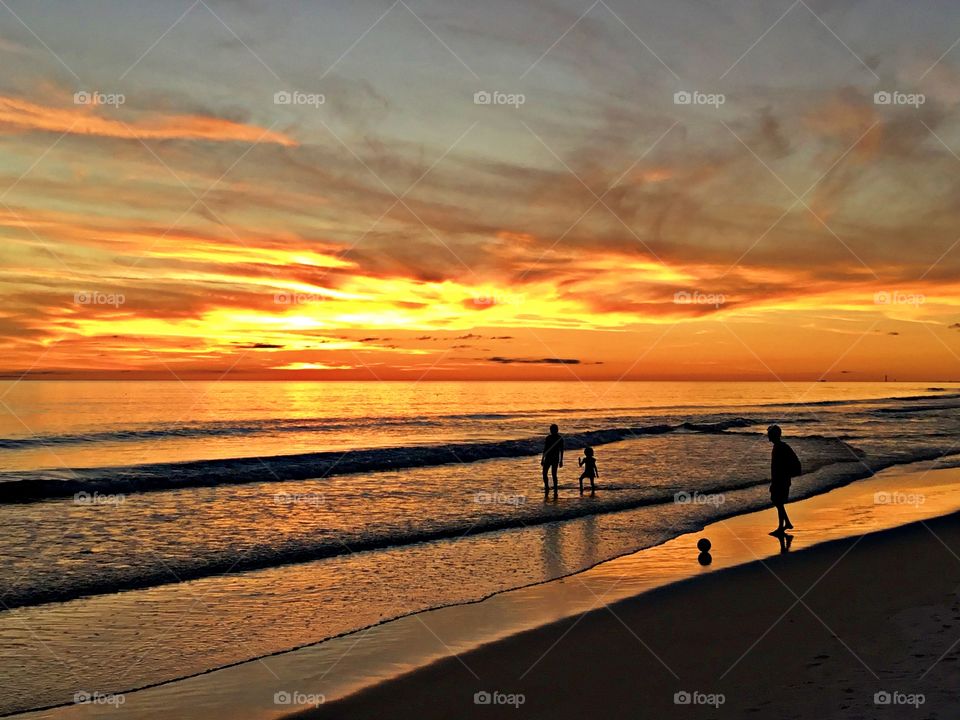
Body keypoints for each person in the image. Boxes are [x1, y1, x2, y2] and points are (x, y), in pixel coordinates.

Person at [767, 424, 801, 536]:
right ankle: (786, 524)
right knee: (778, 502)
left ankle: (783, 526)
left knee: (777, 501)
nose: (768, 435)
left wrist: (775, 482)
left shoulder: (779, 448)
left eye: (769, 434)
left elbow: (778, 468)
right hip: (783, 479)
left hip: (781, 480)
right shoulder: (780, 446)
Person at [541, 424, 564, 495]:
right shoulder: (548, 438)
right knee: (544, 473)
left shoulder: (560, 439)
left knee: (554, 474)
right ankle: (547, 486)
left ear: (557, 430)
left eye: (553, 430)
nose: (552, 431)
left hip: (555, 458)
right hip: (548, 457)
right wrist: (542, 459)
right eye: (551, 430)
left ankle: (555, 487)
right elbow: (545, 449)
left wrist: (561, 460)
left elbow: (561, 450)